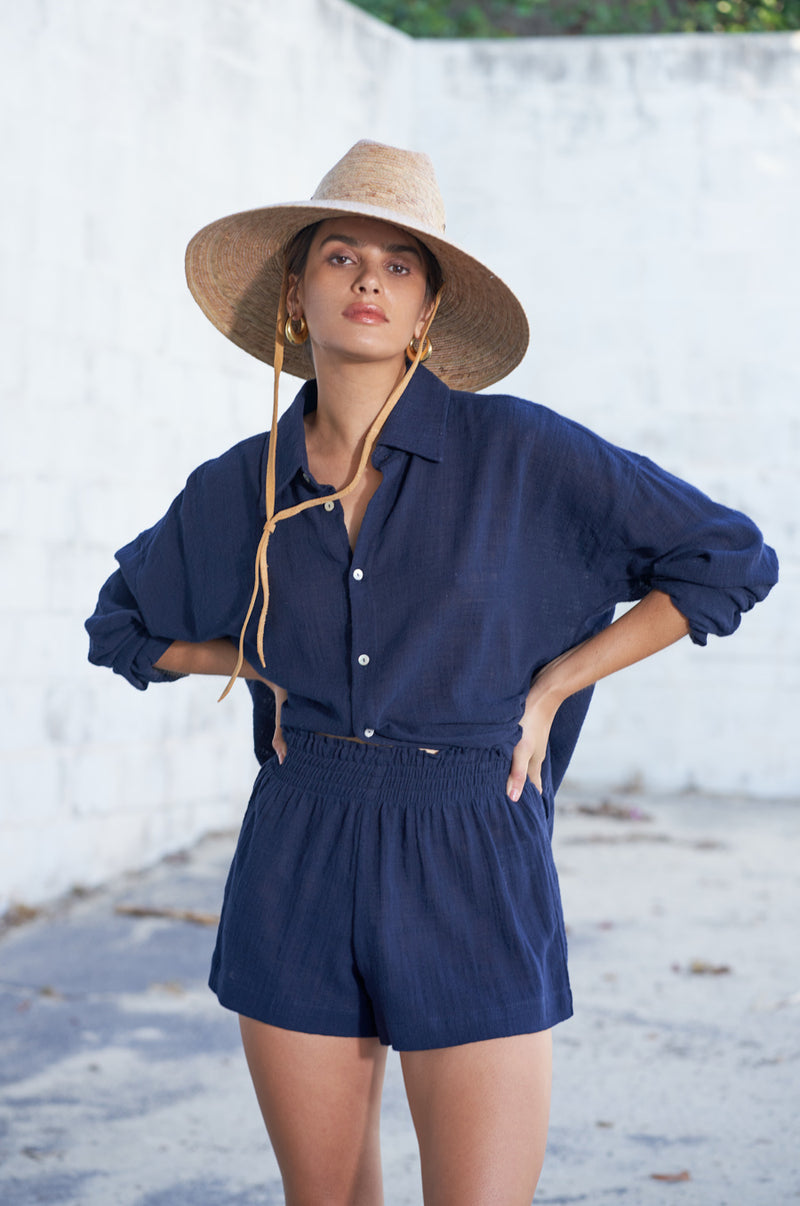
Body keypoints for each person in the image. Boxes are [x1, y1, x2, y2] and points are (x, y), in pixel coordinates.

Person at [86, 140, 778, 1205]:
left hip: (468, 843)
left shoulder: (520, 453)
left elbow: (725, 559)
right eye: (338, 254)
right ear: (294, 292)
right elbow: (123, 625)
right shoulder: (240, 486)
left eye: (398, 265)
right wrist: (261, 667)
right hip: (297, 847)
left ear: (425, 312)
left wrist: (551, 687)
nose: (367, 278)